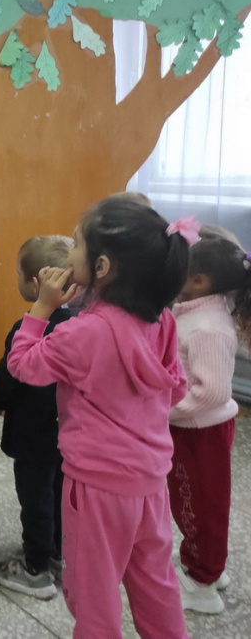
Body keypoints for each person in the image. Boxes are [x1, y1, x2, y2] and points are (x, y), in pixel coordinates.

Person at [6, 197, 191, 638]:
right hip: (150, 482)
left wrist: (40, 310)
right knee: (156, 583)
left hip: (96, 487)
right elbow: (177, 388)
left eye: (76, 244)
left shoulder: (82, 332)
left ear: (102, 267)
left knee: (93, 594)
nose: (69, 253)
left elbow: (23, 365)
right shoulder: (162, 320)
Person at [168, 226, 249, 614]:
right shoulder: (196, 311)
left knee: (196, 505)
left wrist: (164, 411)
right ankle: (208, 567)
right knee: (200, 503)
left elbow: (211, 392)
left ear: (199, 280)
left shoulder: (208, 327)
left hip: (198, 431)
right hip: (194, 427)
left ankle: (201, 582)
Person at [0, 235, 74, 600]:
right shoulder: (79, 325)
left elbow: (8, 378)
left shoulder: (28, 330)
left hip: (32, 435)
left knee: (35, 500)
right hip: (67, 433)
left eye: (19, 274)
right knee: (59, 494)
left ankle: (35, 568)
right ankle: (57, 554)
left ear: (37, 284)